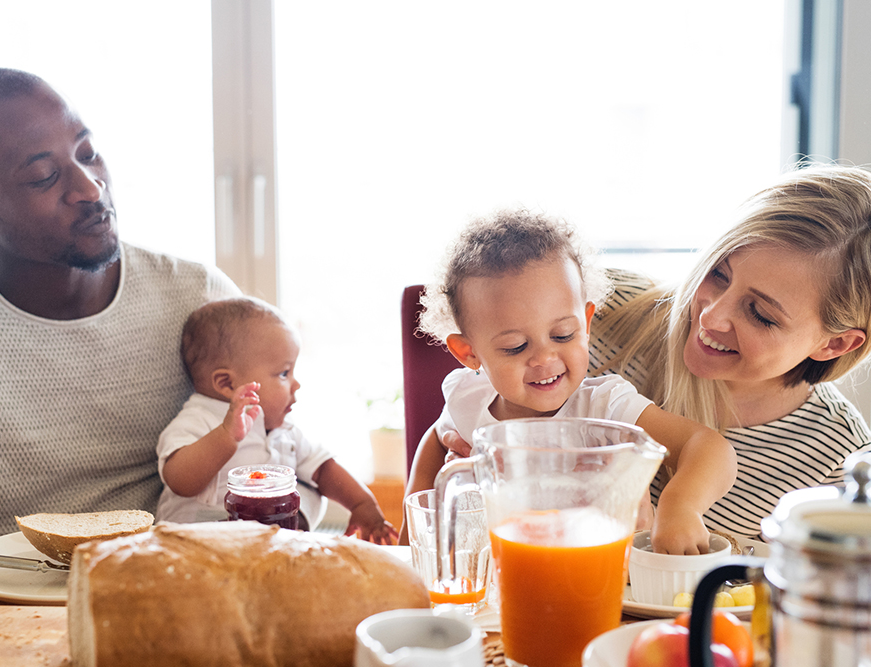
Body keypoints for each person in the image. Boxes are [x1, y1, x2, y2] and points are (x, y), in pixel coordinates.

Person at [0, 68, 240, 537]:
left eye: (89, 154)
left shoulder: (200, 298)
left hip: (200, 579)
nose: (90, 188)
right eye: (44, 177)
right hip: (17, 600)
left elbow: (275, 467)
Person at [433, 165, 871, 541]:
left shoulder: (841, 457)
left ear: (833, 343)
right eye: (718, 272)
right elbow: (478, 340)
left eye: (760, 313)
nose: (711, 317)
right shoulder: (595, 316)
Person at [405, 210, 737, 555]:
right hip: (496, 585)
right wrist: (412, 527)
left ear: (587, 322)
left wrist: (680, 507)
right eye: (516, 346)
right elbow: (436, 438)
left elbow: (710, 448)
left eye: (563, 335)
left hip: (592, 580)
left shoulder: (606, 407)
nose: (545, 359)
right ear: (468, 353)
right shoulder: (468, 397)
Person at [156, 296, 397, 543]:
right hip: (197, 546)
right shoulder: (197, 420)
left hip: (267, 546)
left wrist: (362, 503)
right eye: (283, 373)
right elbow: (180, 481)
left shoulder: (285, 431)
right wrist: (226, 435)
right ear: (227, 383)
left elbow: (324, 470)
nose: (296, 383)